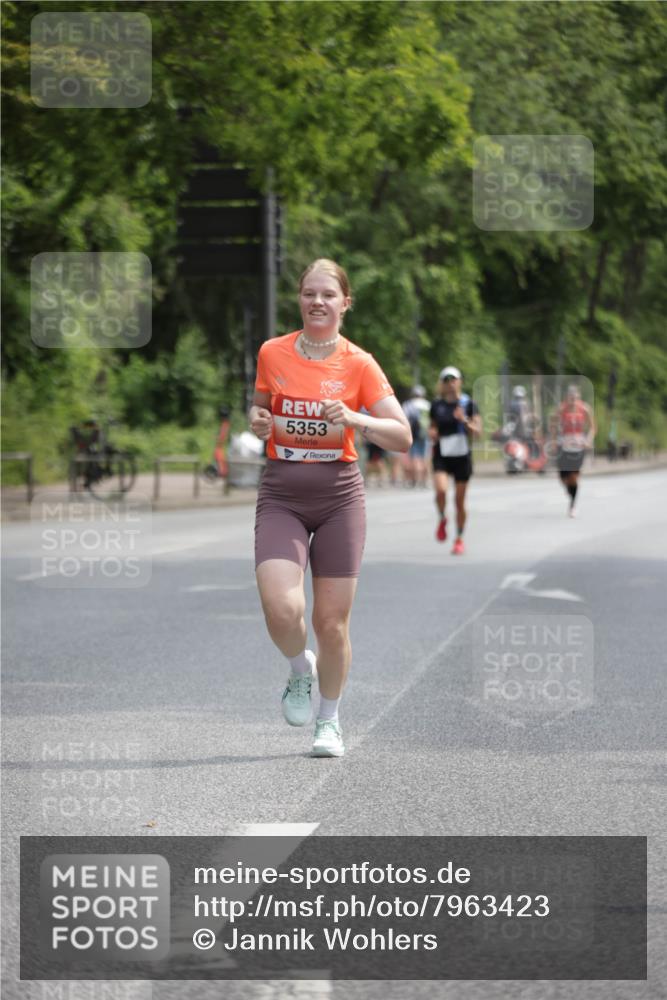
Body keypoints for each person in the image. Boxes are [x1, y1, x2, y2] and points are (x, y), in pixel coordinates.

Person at [249, 259, 411, 757]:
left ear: (345, 303)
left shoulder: (359, 363)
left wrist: (356, 416)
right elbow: (260, 408)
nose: (317, 302)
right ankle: (301, 671)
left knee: (331, 624)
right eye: (309, 294)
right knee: (282, 609)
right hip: (282, 493)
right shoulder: (271, 352)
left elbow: (402, 436)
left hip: (340, 497)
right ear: (299, 299)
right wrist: (258, 422)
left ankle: (330, 720)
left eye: (328, 295)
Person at [429, 366, 482, 554]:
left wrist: (464, 420)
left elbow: (478, 432)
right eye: (446, 380)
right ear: (442, 384)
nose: (450, 383)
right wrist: (432, 433)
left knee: (459, 501)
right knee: (441, 491)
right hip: (442, 454)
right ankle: (443, 517)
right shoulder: (436, 405)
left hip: (461, 456)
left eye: (453, 379)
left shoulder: (468, 404)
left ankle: (459, 538)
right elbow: (433, 427)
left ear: (460, 382)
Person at [551, 384, 596, 517]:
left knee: (574, 478)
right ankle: (569, 490)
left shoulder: (585, 409)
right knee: (563, 478)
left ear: (579, 398)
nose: (573, 401)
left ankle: (572, 506)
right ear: (567, 398)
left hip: (578, 447)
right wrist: (554, 442)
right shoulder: (561, 409)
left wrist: (588, 440)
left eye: (575, 398)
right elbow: (553, 426)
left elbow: (593, 428)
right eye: (571, 398)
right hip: (564, 445)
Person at [402, 385, 430, 487]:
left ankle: (415, 480)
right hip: (426, 435)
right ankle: (424, 481)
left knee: (415, 457)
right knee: (425, 458)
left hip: (413, 435)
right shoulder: (427, 405)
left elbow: (405, 420)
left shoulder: (408, 405)